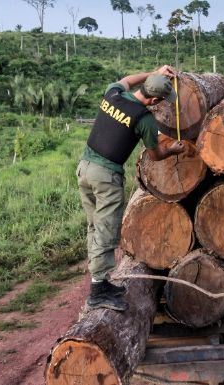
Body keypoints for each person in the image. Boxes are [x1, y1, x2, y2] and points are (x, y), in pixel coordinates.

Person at [77, 65, 185, 312]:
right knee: (106, 230)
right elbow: (156, 155)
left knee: (95, 226)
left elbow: (125, 79)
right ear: (155, 99)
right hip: (106, 175)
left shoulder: (113, 94)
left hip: (84, 167)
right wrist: (173, 150)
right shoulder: (143, 118)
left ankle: (100, 281)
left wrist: (153, 74)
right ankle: (97, 292)